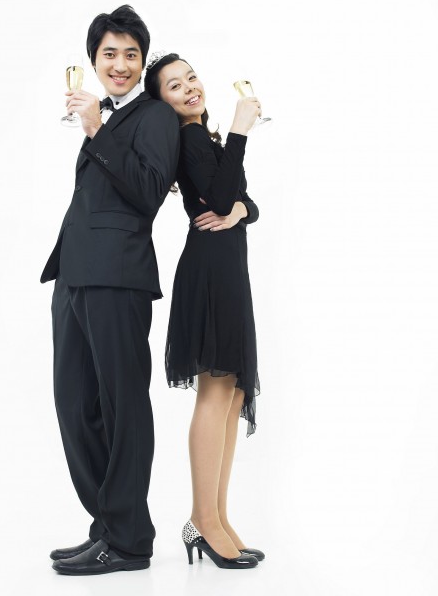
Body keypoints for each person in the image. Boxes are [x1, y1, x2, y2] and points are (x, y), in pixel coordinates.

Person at [40, 6, 179, 575]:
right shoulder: (109, 114)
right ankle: (109, 523)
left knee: (124, 408)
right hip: (74, 273)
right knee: (74, 405)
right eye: (109, 54)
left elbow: (148, 192)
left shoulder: (156, 116)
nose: (119, 64)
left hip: (119, 275)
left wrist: (97, 129)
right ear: (93, 60)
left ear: (142, 61)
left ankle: (129, 540)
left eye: (130, 54)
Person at [144, 52, 265, 569]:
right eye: (175, 86)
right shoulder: (191, 138)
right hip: (212, 272)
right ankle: (202, 520)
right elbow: (218, 198)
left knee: (232, 396)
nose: (190, 87)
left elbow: (241, 202)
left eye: (191, 77)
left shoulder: (204, 139)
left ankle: (217, 515)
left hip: (227, 269)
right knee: (216, 394)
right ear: (163, 103)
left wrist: (240, 210)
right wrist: (240, 130)